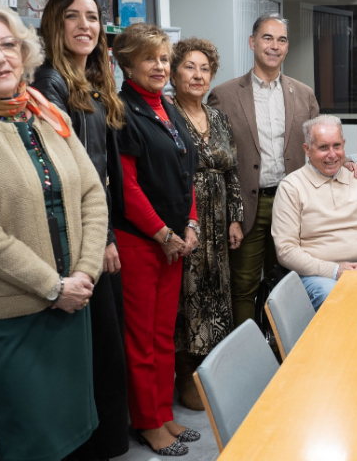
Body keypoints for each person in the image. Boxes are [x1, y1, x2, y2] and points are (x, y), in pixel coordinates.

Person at [0, 4, 107, 461]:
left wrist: (84, 274)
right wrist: (53, 286)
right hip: (14, 316)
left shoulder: (48, 116)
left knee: (77, 434)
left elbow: (93, 196)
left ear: (24, 54)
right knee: (34, 442)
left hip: (74, 303)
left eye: (7, 45)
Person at [208, 13, 357, 326]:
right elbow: (217, 162)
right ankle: (247, 359)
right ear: (253, 43)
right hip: (248, 207)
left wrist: (345, 162)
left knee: (290, 284)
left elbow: (320, 141)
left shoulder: (303, 93)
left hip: (294, 203)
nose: (274, 46)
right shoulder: (224, 95)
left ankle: (284, 350)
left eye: (281, 40)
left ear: (287, 47)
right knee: (244, 287)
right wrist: (230, 215)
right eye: (267, 38)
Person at [31, 0, 129, 461]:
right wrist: (105, 238)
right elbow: (72, 174)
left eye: (92, 16)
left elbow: (101, 167)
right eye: (73, 16)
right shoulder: (49, 82)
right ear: (55, 24)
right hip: (79, 238)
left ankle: (109, 440)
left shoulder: (89, 80)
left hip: (95, 226)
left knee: (108, 347)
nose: (85, 25)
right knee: (96, 349)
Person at [112, 23, 200, 456]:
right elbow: (128, 189)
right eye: (150, 58)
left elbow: (187, 175)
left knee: (165, 335)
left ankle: (163, 414)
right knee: (141, 338)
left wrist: (191, 225)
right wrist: (164, 232)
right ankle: (147, 423)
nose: (160, 66)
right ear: (127, 63)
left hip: (174, 242)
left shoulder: (168, 107)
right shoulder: (121, 111)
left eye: (164, 58)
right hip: (141, 243)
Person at [170, 37, 244, 411]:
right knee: (188, 295)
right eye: (189, 67)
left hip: (219, 222)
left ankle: (213, 368)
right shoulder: (166, 114)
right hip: (187, 220)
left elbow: (231, 172)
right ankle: (185, 370)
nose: (198, 75)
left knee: (218, 293)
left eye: (205, 69)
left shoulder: (218, 117)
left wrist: (236, 218)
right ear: (174, 71)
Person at [272, 115, 357, 310]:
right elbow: (286, 250)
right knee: (340, 300)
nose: (332, 154)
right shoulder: (291, 187)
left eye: (337, 146)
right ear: (307, 150)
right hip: (319, 276)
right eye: (323, 147)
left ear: (344, 145)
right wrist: (335, 270)